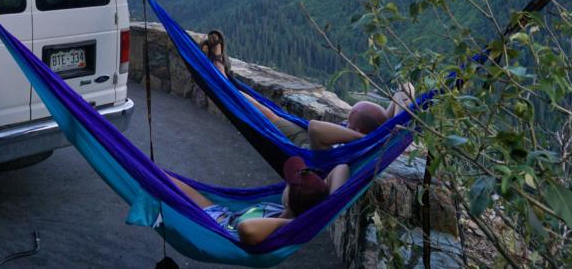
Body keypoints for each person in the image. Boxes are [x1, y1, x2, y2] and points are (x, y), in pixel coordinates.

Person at [201, 30, 414, 150]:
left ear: (357, 132)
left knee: (259, 113)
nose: (344, 123)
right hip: (302, 135)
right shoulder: (366, 137)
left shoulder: (352, 148)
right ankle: (222, 78)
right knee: (263, 110)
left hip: (307, 149)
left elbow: (315, 129)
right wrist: (390, 119)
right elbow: (406, 88)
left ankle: (220, 77)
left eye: (349, 122)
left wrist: (366, 139)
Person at [169, 156, 349, 245]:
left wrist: (295, 223)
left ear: (288, 199)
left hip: (212, 228)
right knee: (162, 178)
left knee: (159, 188)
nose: (285, 183)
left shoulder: (286, 224)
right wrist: (328, 206)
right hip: (221, 214)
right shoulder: (298, 209)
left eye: (288, 185)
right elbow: (342, 168)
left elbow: (246, 229)